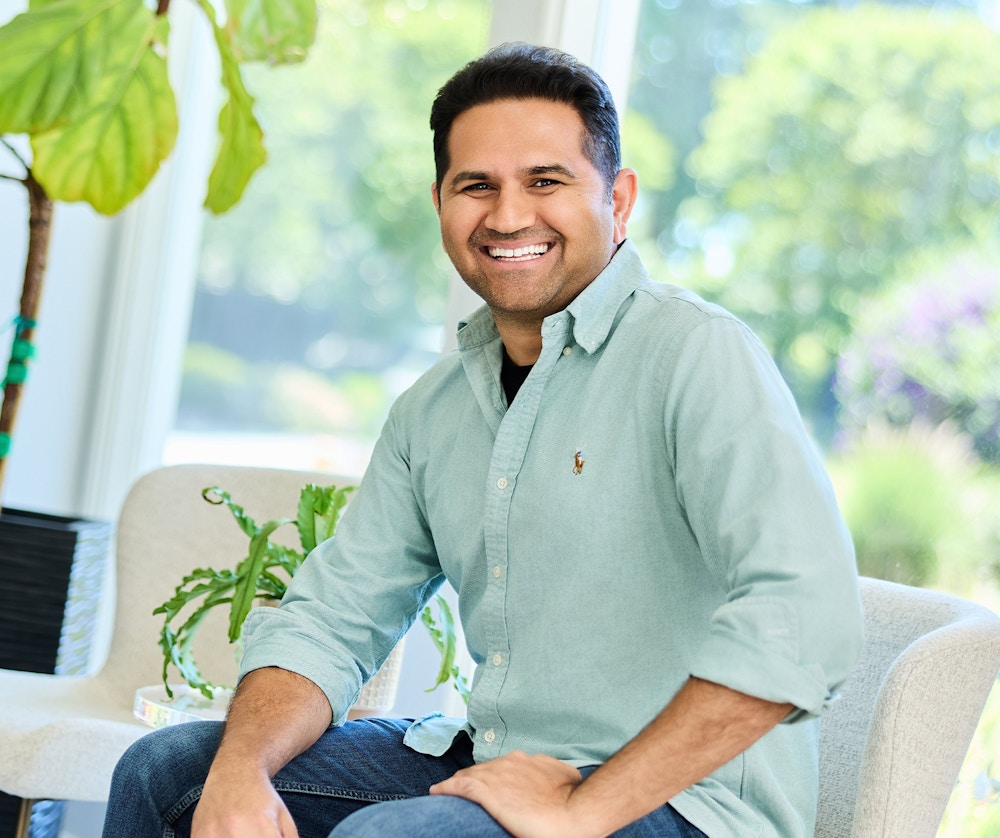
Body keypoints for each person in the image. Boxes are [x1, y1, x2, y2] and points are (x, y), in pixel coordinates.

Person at [103, 42, 863, 838]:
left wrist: (581, 811)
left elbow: (805, 614)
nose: (507, 216)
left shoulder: (696, 354)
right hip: (494, 759)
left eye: (546, 181)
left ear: (620, 199)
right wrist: (239, 770)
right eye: (477, 187)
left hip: (682, 804)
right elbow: (332, 619)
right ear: (440, 203)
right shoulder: (433, 410)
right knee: (168, 777)